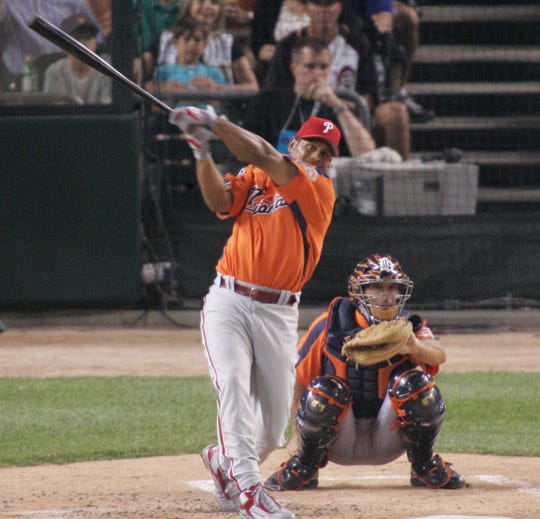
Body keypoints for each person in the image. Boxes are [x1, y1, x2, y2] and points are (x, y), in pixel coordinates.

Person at [168, 105, 341, 518]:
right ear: (295, 143)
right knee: (231, 383)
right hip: (229, 300)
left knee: (274, 427)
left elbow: (262, 153)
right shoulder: (258, 178)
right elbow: (220, 203)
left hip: (279, 314)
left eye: (325, 153)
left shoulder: (316, 186)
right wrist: (200, 151)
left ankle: (221, 460)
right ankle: (250, 492)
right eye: (311, 146)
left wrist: (213, 121)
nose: (316, 156)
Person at [263, 253, 466, 493]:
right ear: (359, 292)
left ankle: (423, 466)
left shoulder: (406, 326)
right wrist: (297, 434)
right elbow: (299, 378)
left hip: (388, 437)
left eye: (392, 288)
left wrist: (415, 347)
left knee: (417, 384)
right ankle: (304, 465)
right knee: (325, 391)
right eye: (378, 287)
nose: (387, 295)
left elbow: (438, 354)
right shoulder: (331, 323)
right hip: (338, 438)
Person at [263, 0, 411, 160]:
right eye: (318, 4)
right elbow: (274, 92)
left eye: (330, 4)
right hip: (299, 112)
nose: (324, 11)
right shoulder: (289, 45)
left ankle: (400, 175)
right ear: (306, 7)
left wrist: (336, 105)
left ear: (340, 6)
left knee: (397, 113)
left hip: (346, 114)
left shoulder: (358, 42)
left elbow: (368, 96)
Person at [242, 37, 375, 158]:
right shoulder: (267, 101)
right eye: (310, 67)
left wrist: (338, 105)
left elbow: (366, 153)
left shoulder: (334, 108)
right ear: (294, 68)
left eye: (323, 67)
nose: (317, 73)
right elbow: (246, 149)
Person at [144, 0, 258, 92]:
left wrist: (218, 89)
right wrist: (163, 87)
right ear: (188, 5)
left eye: (214, 2)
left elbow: (253, 88)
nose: (208, 7)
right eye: (200, 1)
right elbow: (137, 82)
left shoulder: (228, 42)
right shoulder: (165, 39)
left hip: (217, 114)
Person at [0, 0, 102, 78]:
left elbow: (98, 38)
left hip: (65, 77)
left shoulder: (75, 2)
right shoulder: (8, 3)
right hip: (24, 77)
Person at [147, 20, 227, 110]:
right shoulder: (163, 71)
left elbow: (222, 107)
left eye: (197, 40)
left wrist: (211, 91)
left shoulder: (214, 74)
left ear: (204, 44)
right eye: (186, 39)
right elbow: (154, 107)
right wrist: (167, 88)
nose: (192, 45)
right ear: (176, 43)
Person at [43, 14, 111, 104]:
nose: (83, 44)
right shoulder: (54, 72)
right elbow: (51, 110)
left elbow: (109, 110)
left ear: (95, 42)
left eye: (88, 37)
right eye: (77, 38)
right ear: (64, 44)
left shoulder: (106, 69)